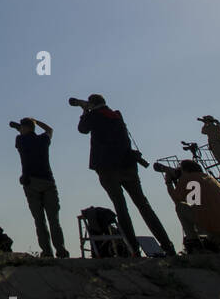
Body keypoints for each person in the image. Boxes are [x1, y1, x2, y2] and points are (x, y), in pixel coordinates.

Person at [75, 94, 175, 256]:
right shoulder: (116, 115)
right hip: (128, 166)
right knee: (144, 206)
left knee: (121, 208)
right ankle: (167, 245)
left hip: (108, 168)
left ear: (92, 103)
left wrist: (85, 111)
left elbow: (82, 129)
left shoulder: (94, 115)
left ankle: (132, 248)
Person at [12, 118, 68, 258]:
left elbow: (22, 133)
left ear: (24, 128)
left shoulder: (21, 141)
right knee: (54, 219)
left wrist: (19, 128)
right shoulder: (43, 140)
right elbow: (50, 130)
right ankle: (61, 249)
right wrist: (36, 121)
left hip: (31, 184)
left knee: (39, 220)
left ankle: (47, 251)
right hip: (48, 182)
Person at [167, 159, 220, 251]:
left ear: (184, 170)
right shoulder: (210, 179)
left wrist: (168, 183)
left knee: (180, 207)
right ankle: (217, 240)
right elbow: (196, 203)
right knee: (198, 208)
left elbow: (177, 199)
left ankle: (193, 240)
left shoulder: (187, 179)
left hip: (212, 225)